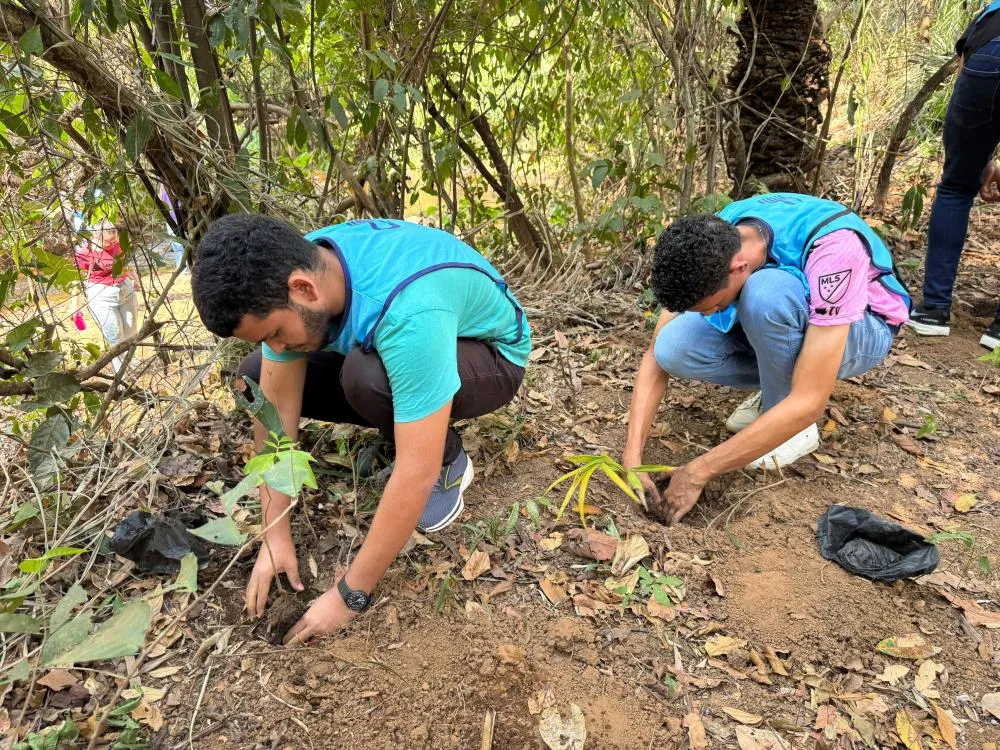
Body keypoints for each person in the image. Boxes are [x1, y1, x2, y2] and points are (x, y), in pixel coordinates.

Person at [191, 215, 531, 644]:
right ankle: (405, 419)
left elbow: (414, 470)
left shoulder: (409, 311)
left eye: (276, 333)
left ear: (304, 289)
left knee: (368, 377)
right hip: (412, 335)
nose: (276, 346)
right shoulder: (295, 266)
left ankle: (451, 459)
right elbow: (276, 413)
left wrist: (350, 594)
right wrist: (273, 533)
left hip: (491, 356)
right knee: (259, 375)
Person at [623, 193, 911, 525]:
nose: (713, 313)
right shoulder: (718, 234)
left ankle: (788, 425)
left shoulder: (836, 250)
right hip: (795, 322)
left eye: (713, 306)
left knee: (766, 294)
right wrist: (633, 456)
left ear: (737, 267)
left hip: (865, 327)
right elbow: (654, 356)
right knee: (672, 345)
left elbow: (810, 400)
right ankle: (776, 397)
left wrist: (699, 470)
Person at [906, 0, 1000, 349]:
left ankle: (933, 311)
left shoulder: (990, 11)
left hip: (986, 58)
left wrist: (979, 160)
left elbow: (966, 65)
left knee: (956, 187)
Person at [72, 219, 138, 374]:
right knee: (115, 338)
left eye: (114, 240)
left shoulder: (119, 243)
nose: (112, 244)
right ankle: (121, 377)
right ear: (97, 238)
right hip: (102, 296)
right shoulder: (85, 252)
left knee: (131, 335)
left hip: (125, 291)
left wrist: (135, 278)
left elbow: (125, 262)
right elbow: (76, 279)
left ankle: (130, 366)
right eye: (108, 242)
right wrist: (76, 305)